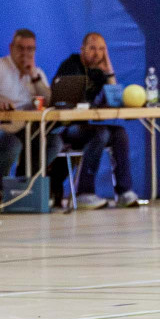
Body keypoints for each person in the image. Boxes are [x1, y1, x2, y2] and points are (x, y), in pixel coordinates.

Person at [55, 33, 138, 209]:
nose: (97, 53)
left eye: (101, 49)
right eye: (92, 48)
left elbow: (115, 100)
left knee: (119, 133)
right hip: (65, 129)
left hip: (86, 128)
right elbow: (66, 103)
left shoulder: (99, 72)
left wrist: (109, 71)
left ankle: (124, 192)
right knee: (101, 133)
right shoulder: (70, 66)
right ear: (82, 49)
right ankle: (84, 193)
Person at [0, 29, 59, 193]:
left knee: (54, 142)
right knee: (13, 144)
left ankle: (24, 187)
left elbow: (50, 103)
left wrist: (34, 77)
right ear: (11, 47)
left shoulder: (37, 73)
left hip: (25, 129)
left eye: (30, 49)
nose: (25, 53)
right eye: (20, 48)